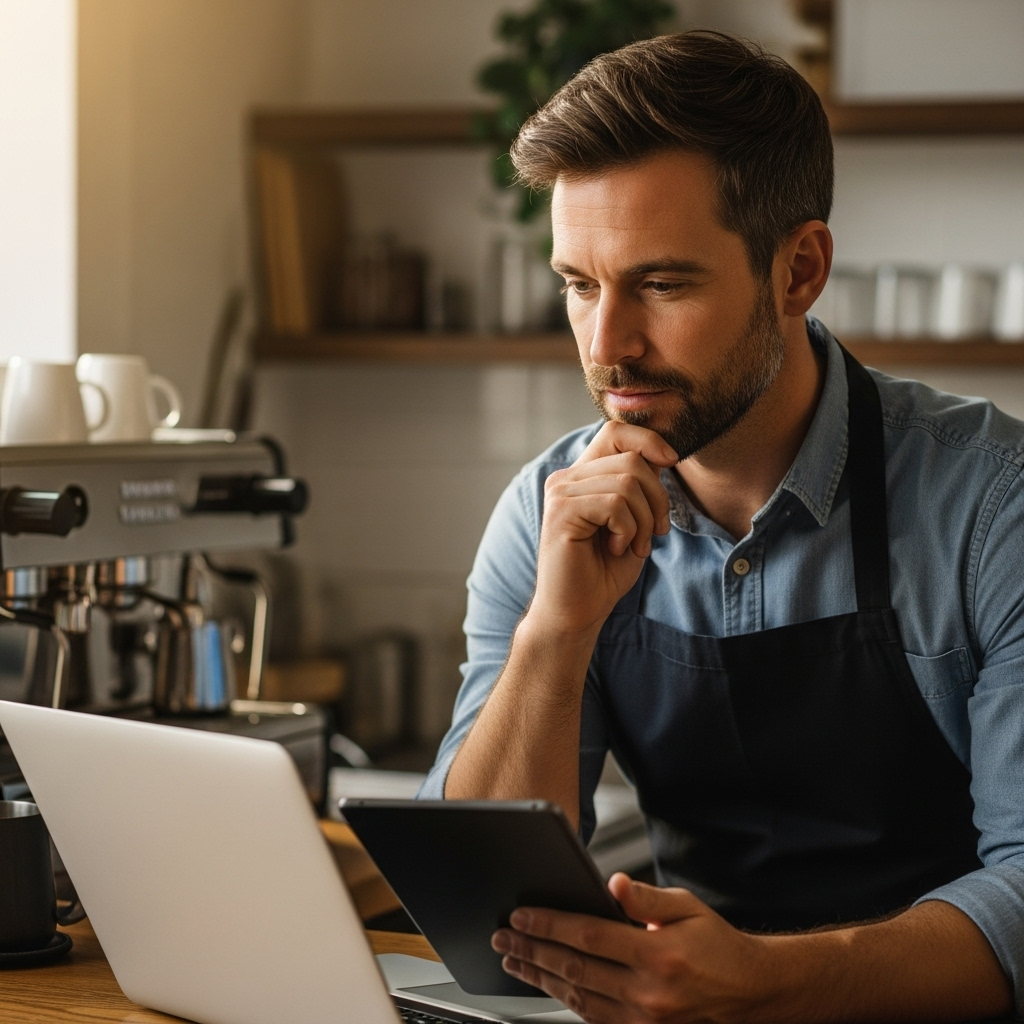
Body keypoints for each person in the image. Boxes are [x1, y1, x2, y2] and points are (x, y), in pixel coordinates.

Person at [420, 30, 1023, 1022]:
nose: (607, 345)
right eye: (579, 285)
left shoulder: (994, 503)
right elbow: (481, 902)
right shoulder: (547, 511)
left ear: (798, 271)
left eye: (662, 284)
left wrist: (765, 984)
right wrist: (555, 632)